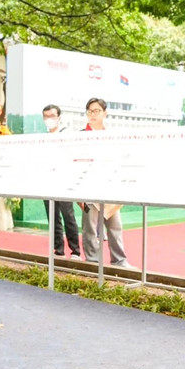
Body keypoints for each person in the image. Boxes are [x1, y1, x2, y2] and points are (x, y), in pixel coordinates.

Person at [78, 97, 129, 268]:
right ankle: (93, 262)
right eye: (90, 111)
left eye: (96, 111)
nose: (92, 114)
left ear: (105, 113)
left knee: (115, 226)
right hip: (89, 189)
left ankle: (119, 261)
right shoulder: (81, 137)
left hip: (110, 189)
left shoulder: (111, 136)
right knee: (90, 229)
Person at [41, 103, 81, 258]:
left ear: (59, 118)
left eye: (52, 116)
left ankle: (75, 250)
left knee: (68, 216)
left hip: (64, 183)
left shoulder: (67, 135)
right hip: (47, 183)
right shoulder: (43, 138)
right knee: (53, 217)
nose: (49, 119)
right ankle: (58, 249)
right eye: (46, 116)